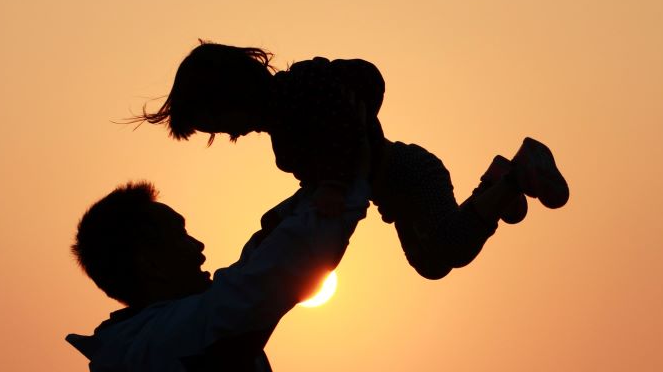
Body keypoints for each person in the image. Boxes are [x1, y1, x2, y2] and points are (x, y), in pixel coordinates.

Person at [134, 41, 569, 280]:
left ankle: (515, 176)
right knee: (432, 264)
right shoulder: (285, 129)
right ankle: (495, 186)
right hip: (391, 194)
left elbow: (359, 89)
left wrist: (336, 182)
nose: (228, 133)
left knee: (450, 245)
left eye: (217, 121)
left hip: (409, 173)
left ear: (231, 94)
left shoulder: (301, 89)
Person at [66, 173, 369, 372]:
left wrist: (319, 187)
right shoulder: (187, 334)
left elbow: (260, 260)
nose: (199, 246)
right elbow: (284, 264)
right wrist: (347, 181)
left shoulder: (159, 340)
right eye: (180, 235)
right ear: (151, 265)